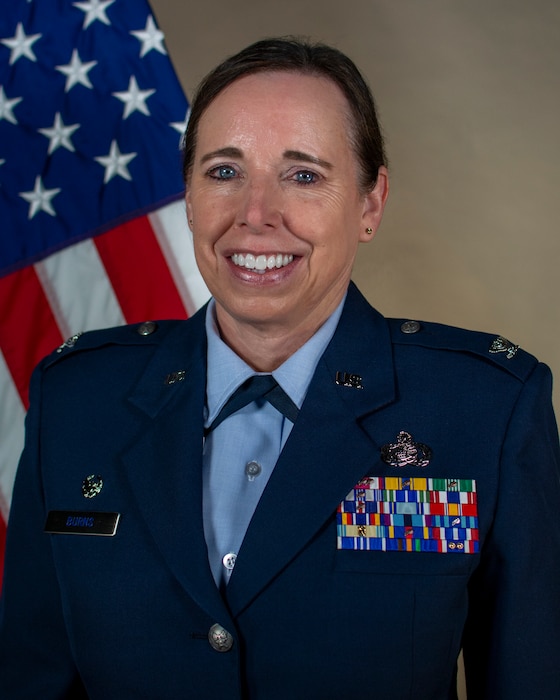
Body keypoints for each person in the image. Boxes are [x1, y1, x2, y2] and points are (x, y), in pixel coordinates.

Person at [0, 37, 559, 699]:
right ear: (187, 193)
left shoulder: (484, 409)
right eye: (225, 172)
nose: (255, 215)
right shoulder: (77, 399)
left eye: (303, 175)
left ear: (370, 203)